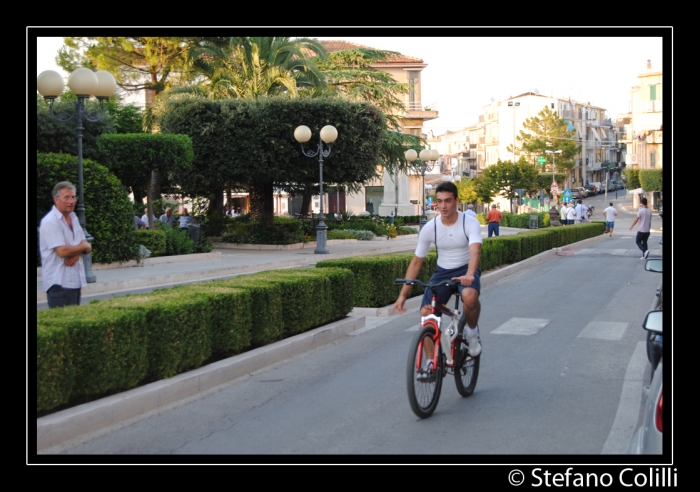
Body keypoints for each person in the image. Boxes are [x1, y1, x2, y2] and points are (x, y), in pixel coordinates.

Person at [390, 181, 484, 358]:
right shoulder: (430, 227)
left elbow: (475, 251)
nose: (443, 205)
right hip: (443, 272)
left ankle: (472, 332)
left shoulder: (469, 223)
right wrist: (402, 295)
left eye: (448, 201)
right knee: (426, 313)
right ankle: (431, 367)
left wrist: (470, 274)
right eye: (439, 201)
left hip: (466, 269)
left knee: (469, 296)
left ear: (457, 200)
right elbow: (417, 262)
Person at [39, 181, 92, 308]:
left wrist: (80, 249)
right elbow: (62, 252)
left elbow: (87, 245)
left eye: (73, 197)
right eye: (66, 197)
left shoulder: (73, 217)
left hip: (74, 281)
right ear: (56, 200)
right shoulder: (50, 221)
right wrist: (83, 248)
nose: (71, 201)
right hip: (59, 284)